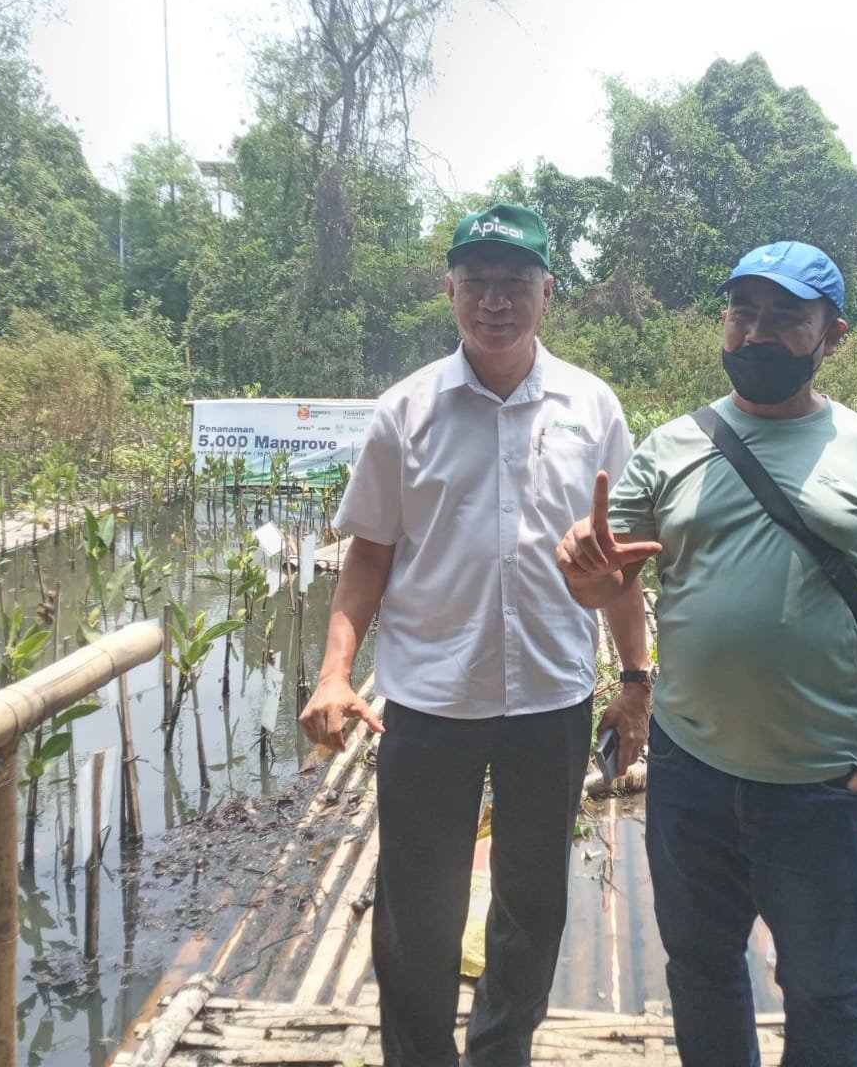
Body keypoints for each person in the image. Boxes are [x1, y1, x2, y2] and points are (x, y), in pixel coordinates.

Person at [557, 241, 857, 1067]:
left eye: (786, 319)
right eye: (743, 314)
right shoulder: (670, 446)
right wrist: (583, 568)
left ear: (832, 336)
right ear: (722, 323)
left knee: (826, 986)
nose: (758, 335)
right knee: (700, 969)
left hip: (821, 782)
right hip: (691, 771)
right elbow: (605, 575)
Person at [298, 202, 651, 1067]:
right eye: (478, 283)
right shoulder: (405, 411)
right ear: (449, 288)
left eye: (515, 283)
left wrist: (636, 682)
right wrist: (334, 673)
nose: (495, 301)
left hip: (551, 699)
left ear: (547, 291)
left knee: (532, 906)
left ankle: (502, 1054)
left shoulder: (592, 406)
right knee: (418, 910)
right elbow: (368, 558)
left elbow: (621, 565)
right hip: (428, 699)